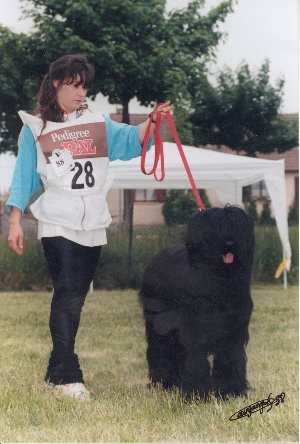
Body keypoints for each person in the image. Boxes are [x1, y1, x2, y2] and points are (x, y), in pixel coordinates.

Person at [6, 53, 171, 401]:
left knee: (75, 299)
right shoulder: (35, 128)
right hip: (56, 220)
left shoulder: (98, 123)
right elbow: (23, 177)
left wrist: (153, 121)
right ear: (56, 84)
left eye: (84, 87)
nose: (81, 93)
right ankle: (68, 376)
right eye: (74, 85)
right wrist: (16, 220)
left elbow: (131, 140)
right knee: (67, 294)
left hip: (94, 222)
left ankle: (54, 373)